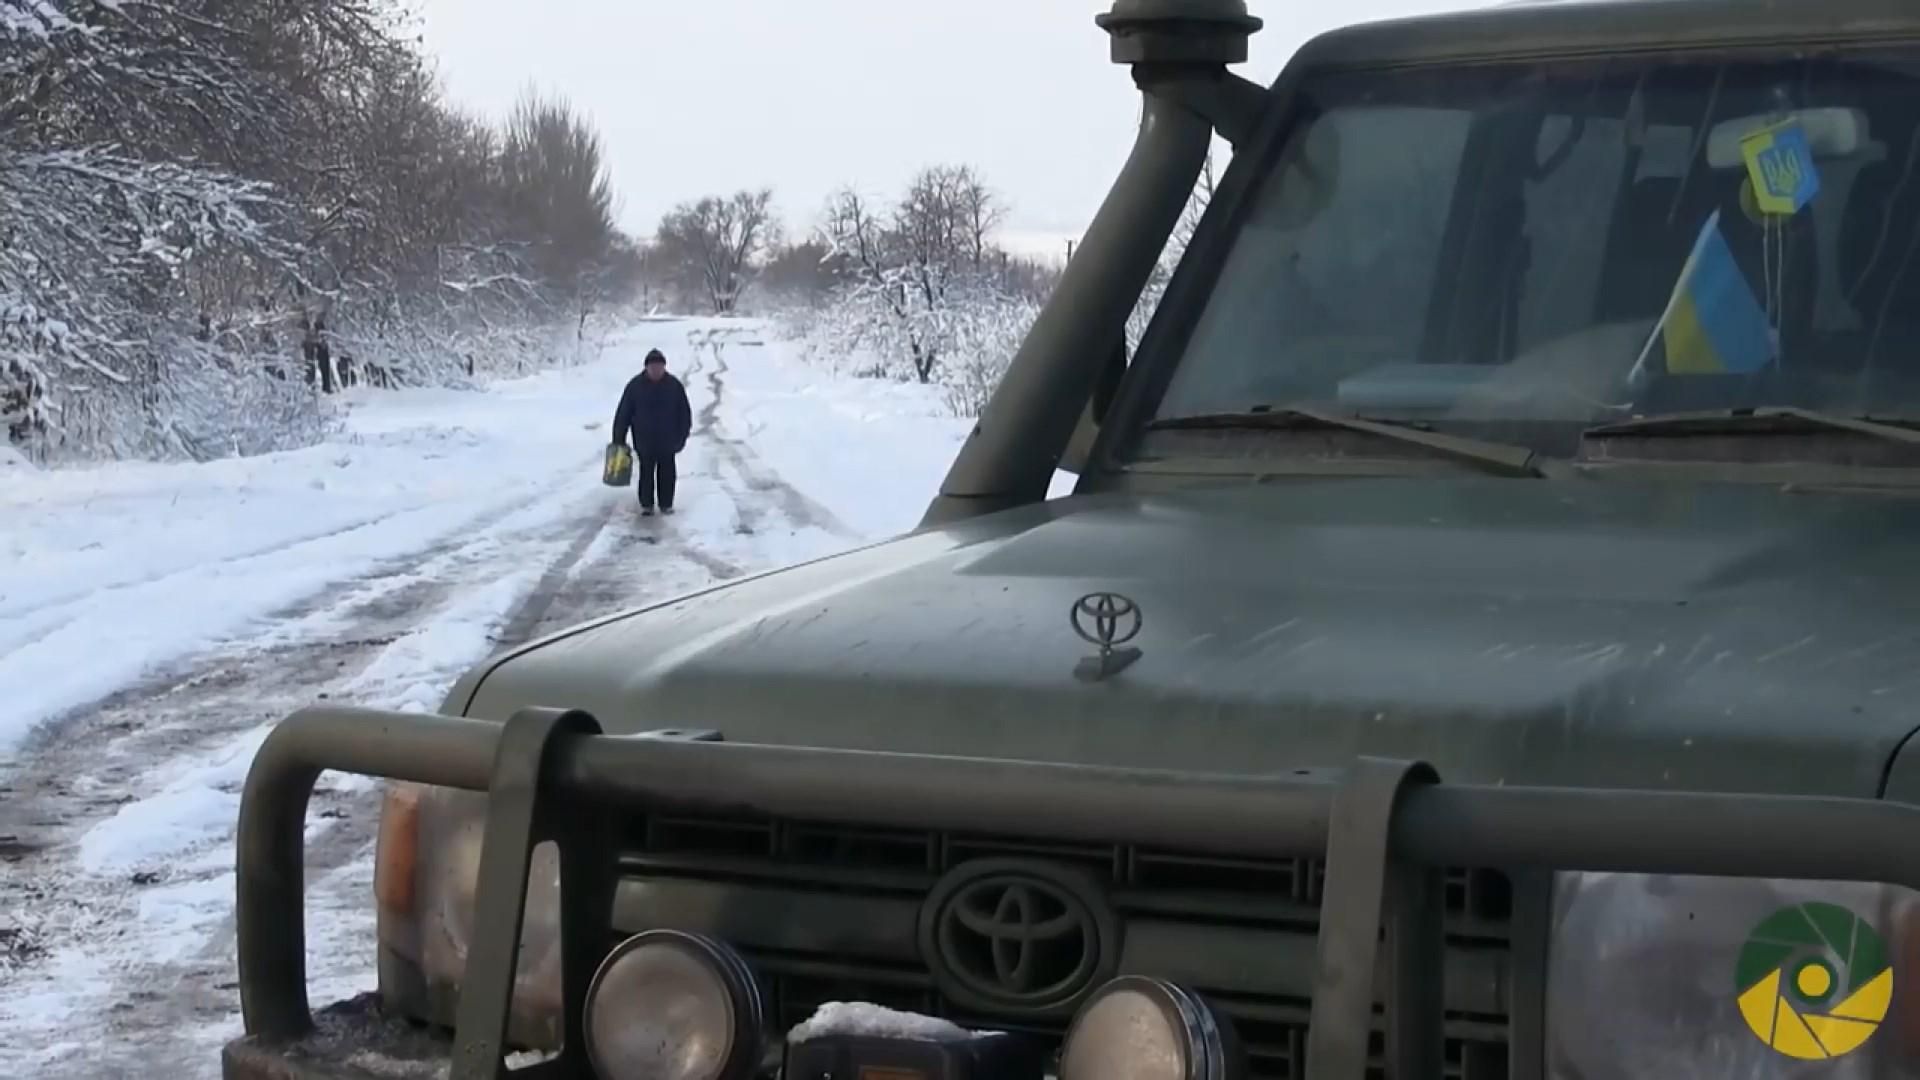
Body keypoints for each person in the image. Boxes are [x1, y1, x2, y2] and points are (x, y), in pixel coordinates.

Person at [611, 348, 693, 516]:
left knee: (667, 473)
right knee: (646, 473)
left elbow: (684, 414)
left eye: (659, 366)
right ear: (646, 367)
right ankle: (646, 504)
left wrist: (681, 437)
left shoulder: (674, 386)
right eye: (653, 367)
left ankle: (666, 504)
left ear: (664, 367)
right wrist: (618, 438)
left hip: (668, 441)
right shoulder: (635, 387)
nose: (656, 370)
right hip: (644, 440)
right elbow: (623, 413)